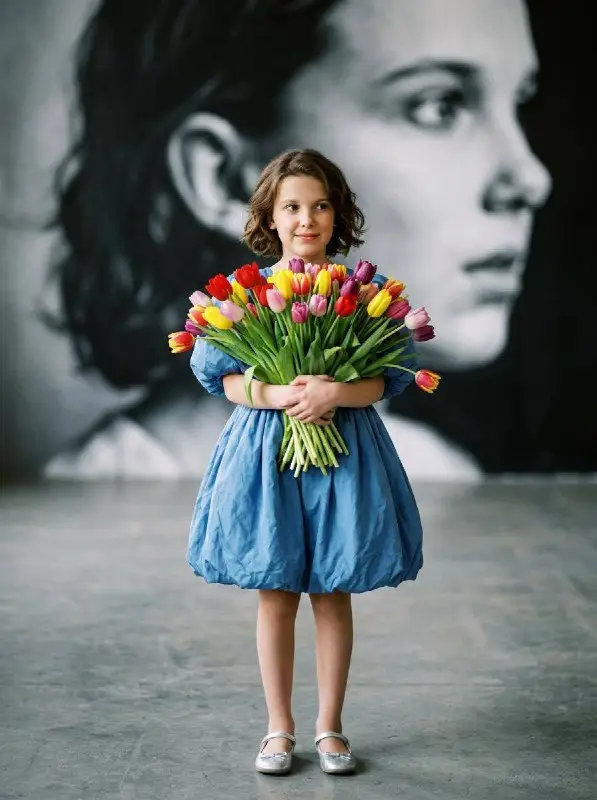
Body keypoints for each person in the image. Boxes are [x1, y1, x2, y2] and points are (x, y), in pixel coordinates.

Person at [44, 0, 552, 481]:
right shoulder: (80, 529)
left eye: (520, 103)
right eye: (438, 105)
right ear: (226, 178)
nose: (530, 178)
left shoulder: (441, 477)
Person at [187, 149, 423, 774]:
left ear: (337, 214)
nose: (306, 219)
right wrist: (274, 394)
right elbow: (223, 378)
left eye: (320, 206)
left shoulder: (361, 293)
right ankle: (278, 728)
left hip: (343, 452)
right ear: (270, 214)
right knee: (275, 591)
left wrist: (331, 393)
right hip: (267, 453)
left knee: (332, 590)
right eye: (291, 206)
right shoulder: (248, 294)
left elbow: (384, 381)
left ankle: (330, 728)